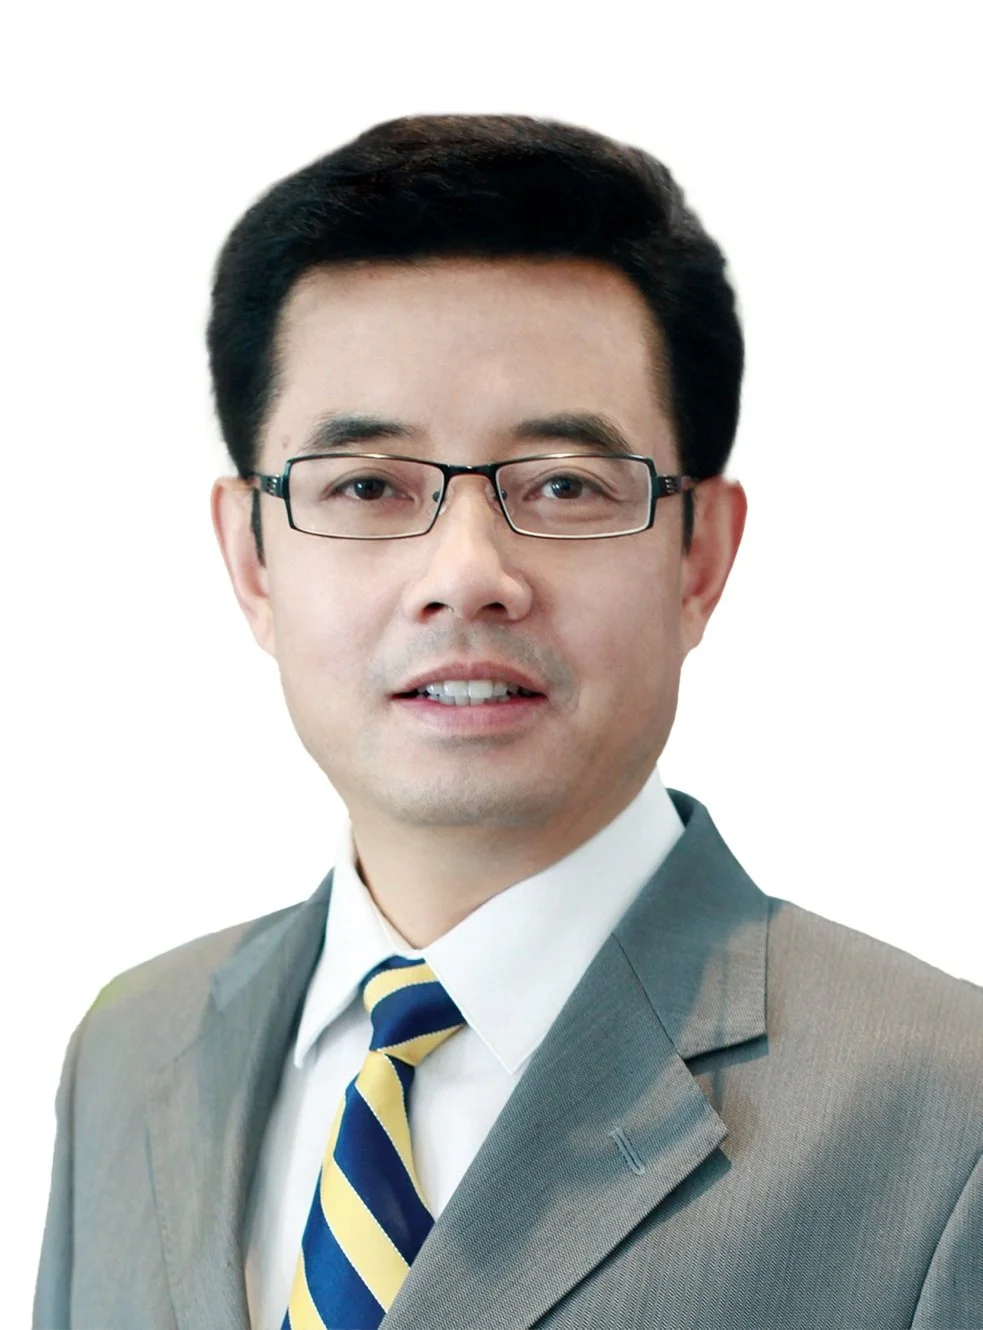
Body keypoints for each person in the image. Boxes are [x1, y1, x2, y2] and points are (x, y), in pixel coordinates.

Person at [34, 113, 982, 1330]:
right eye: (368, 486)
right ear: (251, 558)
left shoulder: (940, 1118)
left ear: (700, 555)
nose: (466, 571)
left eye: (563, 487)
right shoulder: (128, 1053)